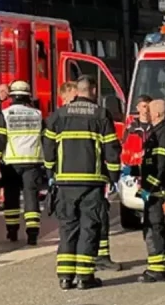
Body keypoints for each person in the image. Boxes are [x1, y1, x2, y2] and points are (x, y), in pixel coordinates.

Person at [42, 75, 121, 290]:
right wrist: (114, 177)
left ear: (76, 91)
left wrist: (51, 173)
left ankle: (65, 277)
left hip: (65, 183)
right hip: (92, 183)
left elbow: (47, 149)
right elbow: (112, 150)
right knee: (89, 227)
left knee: (67, 228)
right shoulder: (101, 115)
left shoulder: (58, 115)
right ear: (93, 91)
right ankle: (85, 278)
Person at [124, 99, 165, 283]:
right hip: (157, 190)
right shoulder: (159, 132)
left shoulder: (162, 134)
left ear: (157, 114)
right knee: (161, 229)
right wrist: (135, 171)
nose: (145, 112)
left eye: (149, 109)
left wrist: (149, 188)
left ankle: (157, 269)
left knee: (154, 229)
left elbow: (160, 167)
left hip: (158, 192)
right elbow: (151, 164)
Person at [0, 80, 45, 245]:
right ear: (28, 96)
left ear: (12, 97)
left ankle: (12, 231)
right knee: (31, 197)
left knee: (11, 198)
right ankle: (33, 234)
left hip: (11, 164)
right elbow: (45, 138)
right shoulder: (38, 115)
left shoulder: (5, 115)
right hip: (32, 163)